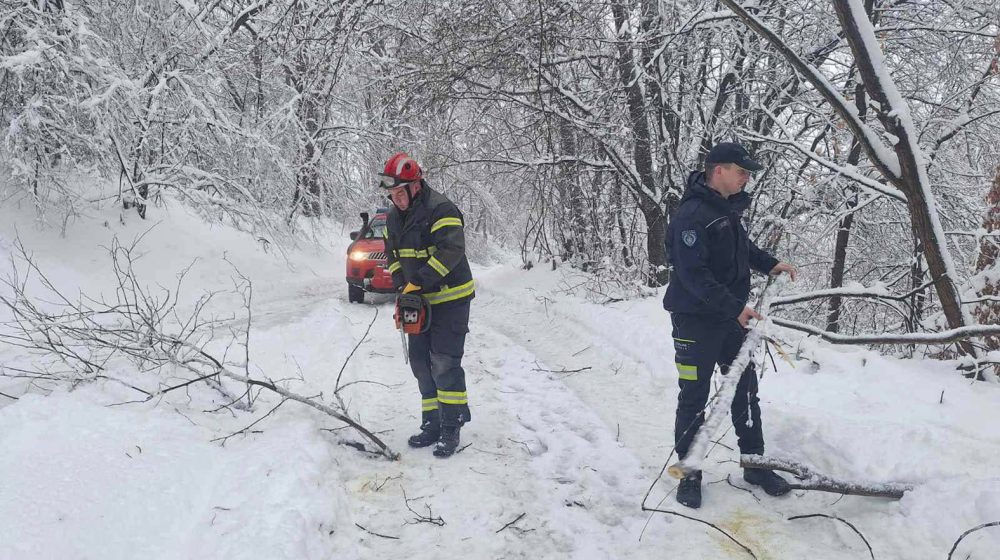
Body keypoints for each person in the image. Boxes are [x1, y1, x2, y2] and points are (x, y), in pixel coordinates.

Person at [663, 142, 797, 508]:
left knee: (745, 389)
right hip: (694, 321)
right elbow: (693, 274)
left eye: (748, 173)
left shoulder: (726, 210)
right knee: (693, 396)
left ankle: (754, 464)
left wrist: (770, 264)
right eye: (741, 172)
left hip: (729, 318)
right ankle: (689, 474)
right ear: (718, 170)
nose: (746, 178)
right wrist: (735, 307)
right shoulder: (692, 215)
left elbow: (741, 249)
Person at [380, 152, 475, 458]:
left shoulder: (441, 209)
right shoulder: (392, 217)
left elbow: (451, 251)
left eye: (400, 192)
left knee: (444, 363)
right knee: (421, 363)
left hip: (450, 299)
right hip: (416, 300)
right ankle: (432, 423)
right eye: (392, 194)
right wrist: (402, 288)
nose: (396, 199)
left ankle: (451, 425)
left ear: (415, 186)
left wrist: (417, 282)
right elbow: (392, 256)